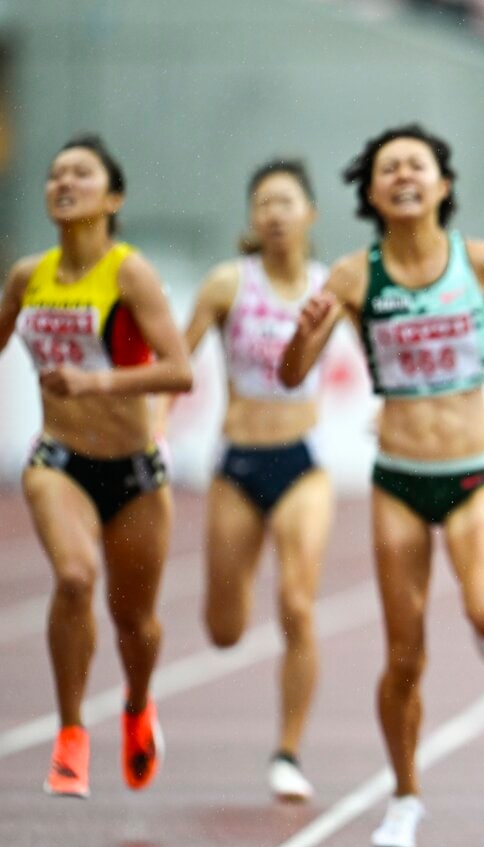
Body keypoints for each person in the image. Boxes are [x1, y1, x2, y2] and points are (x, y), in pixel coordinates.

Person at [281, 124, 484, 847]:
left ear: (442, 184)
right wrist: (304, 333)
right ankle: (404, 794)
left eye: (417, 164)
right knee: (404, 656)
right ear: (371, 192)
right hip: (399, 478)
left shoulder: (481, 261)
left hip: (468, 475)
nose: (403, 174)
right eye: (388, 167)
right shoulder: (352, 276)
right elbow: (291, 373)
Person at [0, 135, 193, 798]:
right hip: (59, 459)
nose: (63, 181)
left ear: (112, 197)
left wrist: (95, 383)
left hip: (135, 469)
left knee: (134, 622)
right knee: (76, 578)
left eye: (80, 173)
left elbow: (180, 370)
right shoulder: (30, 275)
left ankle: (138, 704)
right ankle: (71, 730)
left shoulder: (129, 273)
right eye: (55, 173)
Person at [182, 159, 333, 802]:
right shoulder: (226, 284)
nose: (274, 213)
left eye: (286, 201)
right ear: (251, 218)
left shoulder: (330, 287)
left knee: (298, 604)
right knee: (224, 628)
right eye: (263, 202)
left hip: (302, 460)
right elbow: (173, 361)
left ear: (310, 215)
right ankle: (227, 603)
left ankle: (288, 752)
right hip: (237, 462)